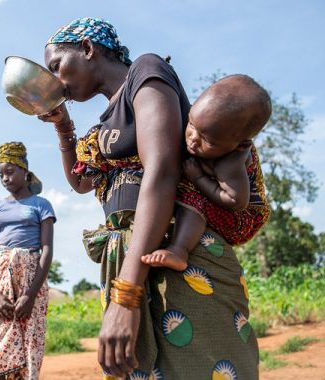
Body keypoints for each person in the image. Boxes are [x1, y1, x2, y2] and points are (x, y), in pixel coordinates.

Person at [38, 17, 259, 379]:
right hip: (134, 260)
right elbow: (81, 183)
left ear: (88, 49)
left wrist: (126, 294)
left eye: (57, 66)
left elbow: (162, 170)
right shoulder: (109, 119)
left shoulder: (146, 71)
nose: (55, 80)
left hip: (179, 252)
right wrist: (64, 126)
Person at [142, 74, 272, 271]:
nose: (193, 138)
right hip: (220, 194)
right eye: (191, 124)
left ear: (240, 145)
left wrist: (199, 178)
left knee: (193, 199)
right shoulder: (213, 129)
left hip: (242, 218)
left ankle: (179, 251)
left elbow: (236, 201)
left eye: (207, 140)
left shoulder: (230, 162)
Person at [0, 142, 56, 380]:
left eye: (10, 171)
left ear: (25, 170)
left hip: (30, 280)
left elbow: (46, 250)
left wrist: (30, 294)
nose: (5, 178)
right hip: (0, 282)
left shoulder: (41, 205)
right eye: (1, 174)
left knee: (30, 335)